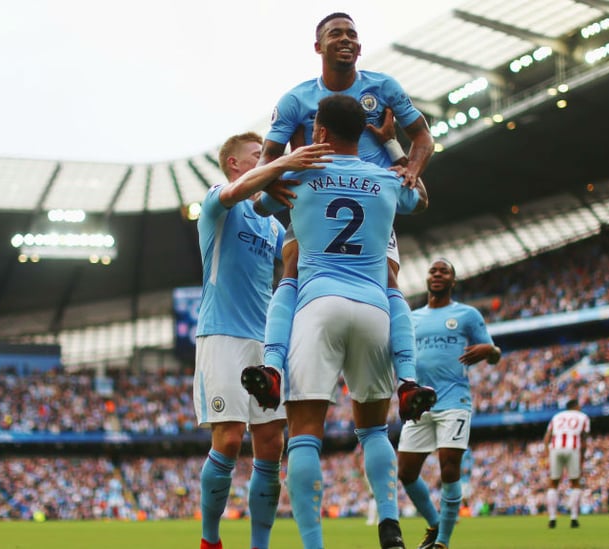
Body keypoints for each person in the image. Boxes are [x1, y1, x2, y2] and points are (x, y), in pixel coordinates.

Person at [241, 11, 436, 423]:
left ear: (360, 46)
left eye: (351, 33)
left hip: (371, 204)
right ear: (319, 47)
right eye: (335, 33)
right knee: (291, 268)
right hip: (318, 198)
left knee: (389, 277)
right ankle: (274, 366)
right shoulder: (296, 99)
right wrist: (273, 183)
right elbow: (268, 157)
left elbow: (423, 137)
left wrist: (412, 168)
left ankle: (406, 381)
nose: (345, 39)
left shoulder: (383, 88)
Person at [258, 93, 428, 549]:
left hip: (318, 305)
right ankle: (390, 526)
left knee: (306, 433)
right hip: (375, 309)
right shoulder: (386, 179)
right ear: (362, 133)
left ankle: (314, 544)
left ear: (319, 133)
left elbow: (258, 204)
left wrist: (285, 162)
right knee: (373, 428)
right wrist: (392, 146)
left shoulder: (301, 174)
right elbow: (421, 197)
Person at [193, 131, 331, 549]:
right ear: (234, 164)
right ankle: (210, 540)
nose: (265, 159)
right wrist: (286, 161)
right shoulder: (219, 202)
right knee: (231, 439)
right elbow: (240, 192)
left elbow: (297, 264)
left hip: (266, 341)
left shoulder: (271, 226)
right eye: (258, 156)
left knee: (271, 446)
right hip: (222, 335)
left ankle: (259, 545)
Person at [396, 258, 500, 549]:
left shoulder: (467, 315)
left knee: (449, 468)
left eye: (444, 271)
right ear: (428, 278)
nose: (438, 274)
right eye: (433, 271)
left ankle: (442, 542)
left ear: (453, 281)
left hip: (454, 400)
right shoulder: (412, 318)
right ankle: (435, 523)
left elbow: (494, 354)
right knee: (405, 472)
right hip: (420, 404)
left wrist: (490, 349)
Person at [543, 398, 590, 529]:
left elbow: (547, 438)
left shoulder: (556, 416)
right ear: (575, 406)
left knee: (553, 483)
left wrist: (548, 455)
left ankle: (552, 518)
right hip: (573, 449)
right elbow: (584, 439)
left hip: (555, 449)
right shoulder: (583, 417)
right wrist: (582, 457)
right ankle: (573, 516)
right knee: (575, 482)